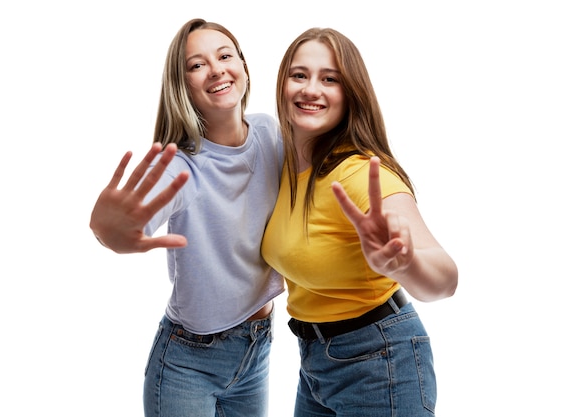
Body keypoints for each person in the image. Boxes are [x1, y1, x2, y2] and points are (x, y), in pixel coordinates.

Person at [90, 18, 284, 417]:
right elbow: (130, 225)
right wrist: (111, 231)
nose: (215, 69)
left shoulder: (269, 132)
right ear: (184, 88)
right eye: (196, 65)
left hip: (258, 348)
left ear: (244, 67)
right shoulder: (181, 166)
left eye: (225, 55)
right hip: (188, 362)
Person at [261, 27, 459, 416]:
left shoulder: (361, 175)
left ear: (350, 93)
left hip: (380, 362)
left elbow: (446, 278)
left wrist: (406, 264)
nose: (311, 89)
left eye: (330, 79)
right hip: (315, 362)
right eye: (299, 75)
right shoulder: (281, 163)